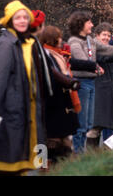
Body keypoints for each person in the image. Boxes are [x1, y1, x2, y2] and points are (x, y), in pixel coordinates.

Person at [0, 0, 46, 175]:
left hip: (20, 115)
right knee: (5, 167)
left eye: (24, 17)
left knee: (19, 166)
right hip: (7, 117)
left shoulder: (22, 42)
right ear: (9, 20)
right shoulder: (5, 45)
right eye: (17, 17)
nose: (21, 21)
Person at [67, 11, 113, 153]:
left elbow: (106, 49)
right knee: (83, 125)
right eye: (89, 22)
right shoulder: (74, 41)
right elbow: (82, 61)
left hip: (91, 83)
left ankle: (85, 156)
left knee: (88, 124)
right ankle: (78, 155)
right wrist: (94, 66)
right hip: (82, 83)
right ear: (81, 24)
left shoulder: (90, 41)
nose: (92, 24)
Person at [39, 26, 82, 165]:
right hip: (54, 104)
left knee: (61, 145)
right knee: (51, 145)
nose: (61, 39)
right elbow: (54, 75)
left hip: (59, 105)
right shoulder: (48, 55)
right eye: (59, 37)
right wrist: (70, 82)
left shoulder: (56, 54)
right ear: (53, 38)